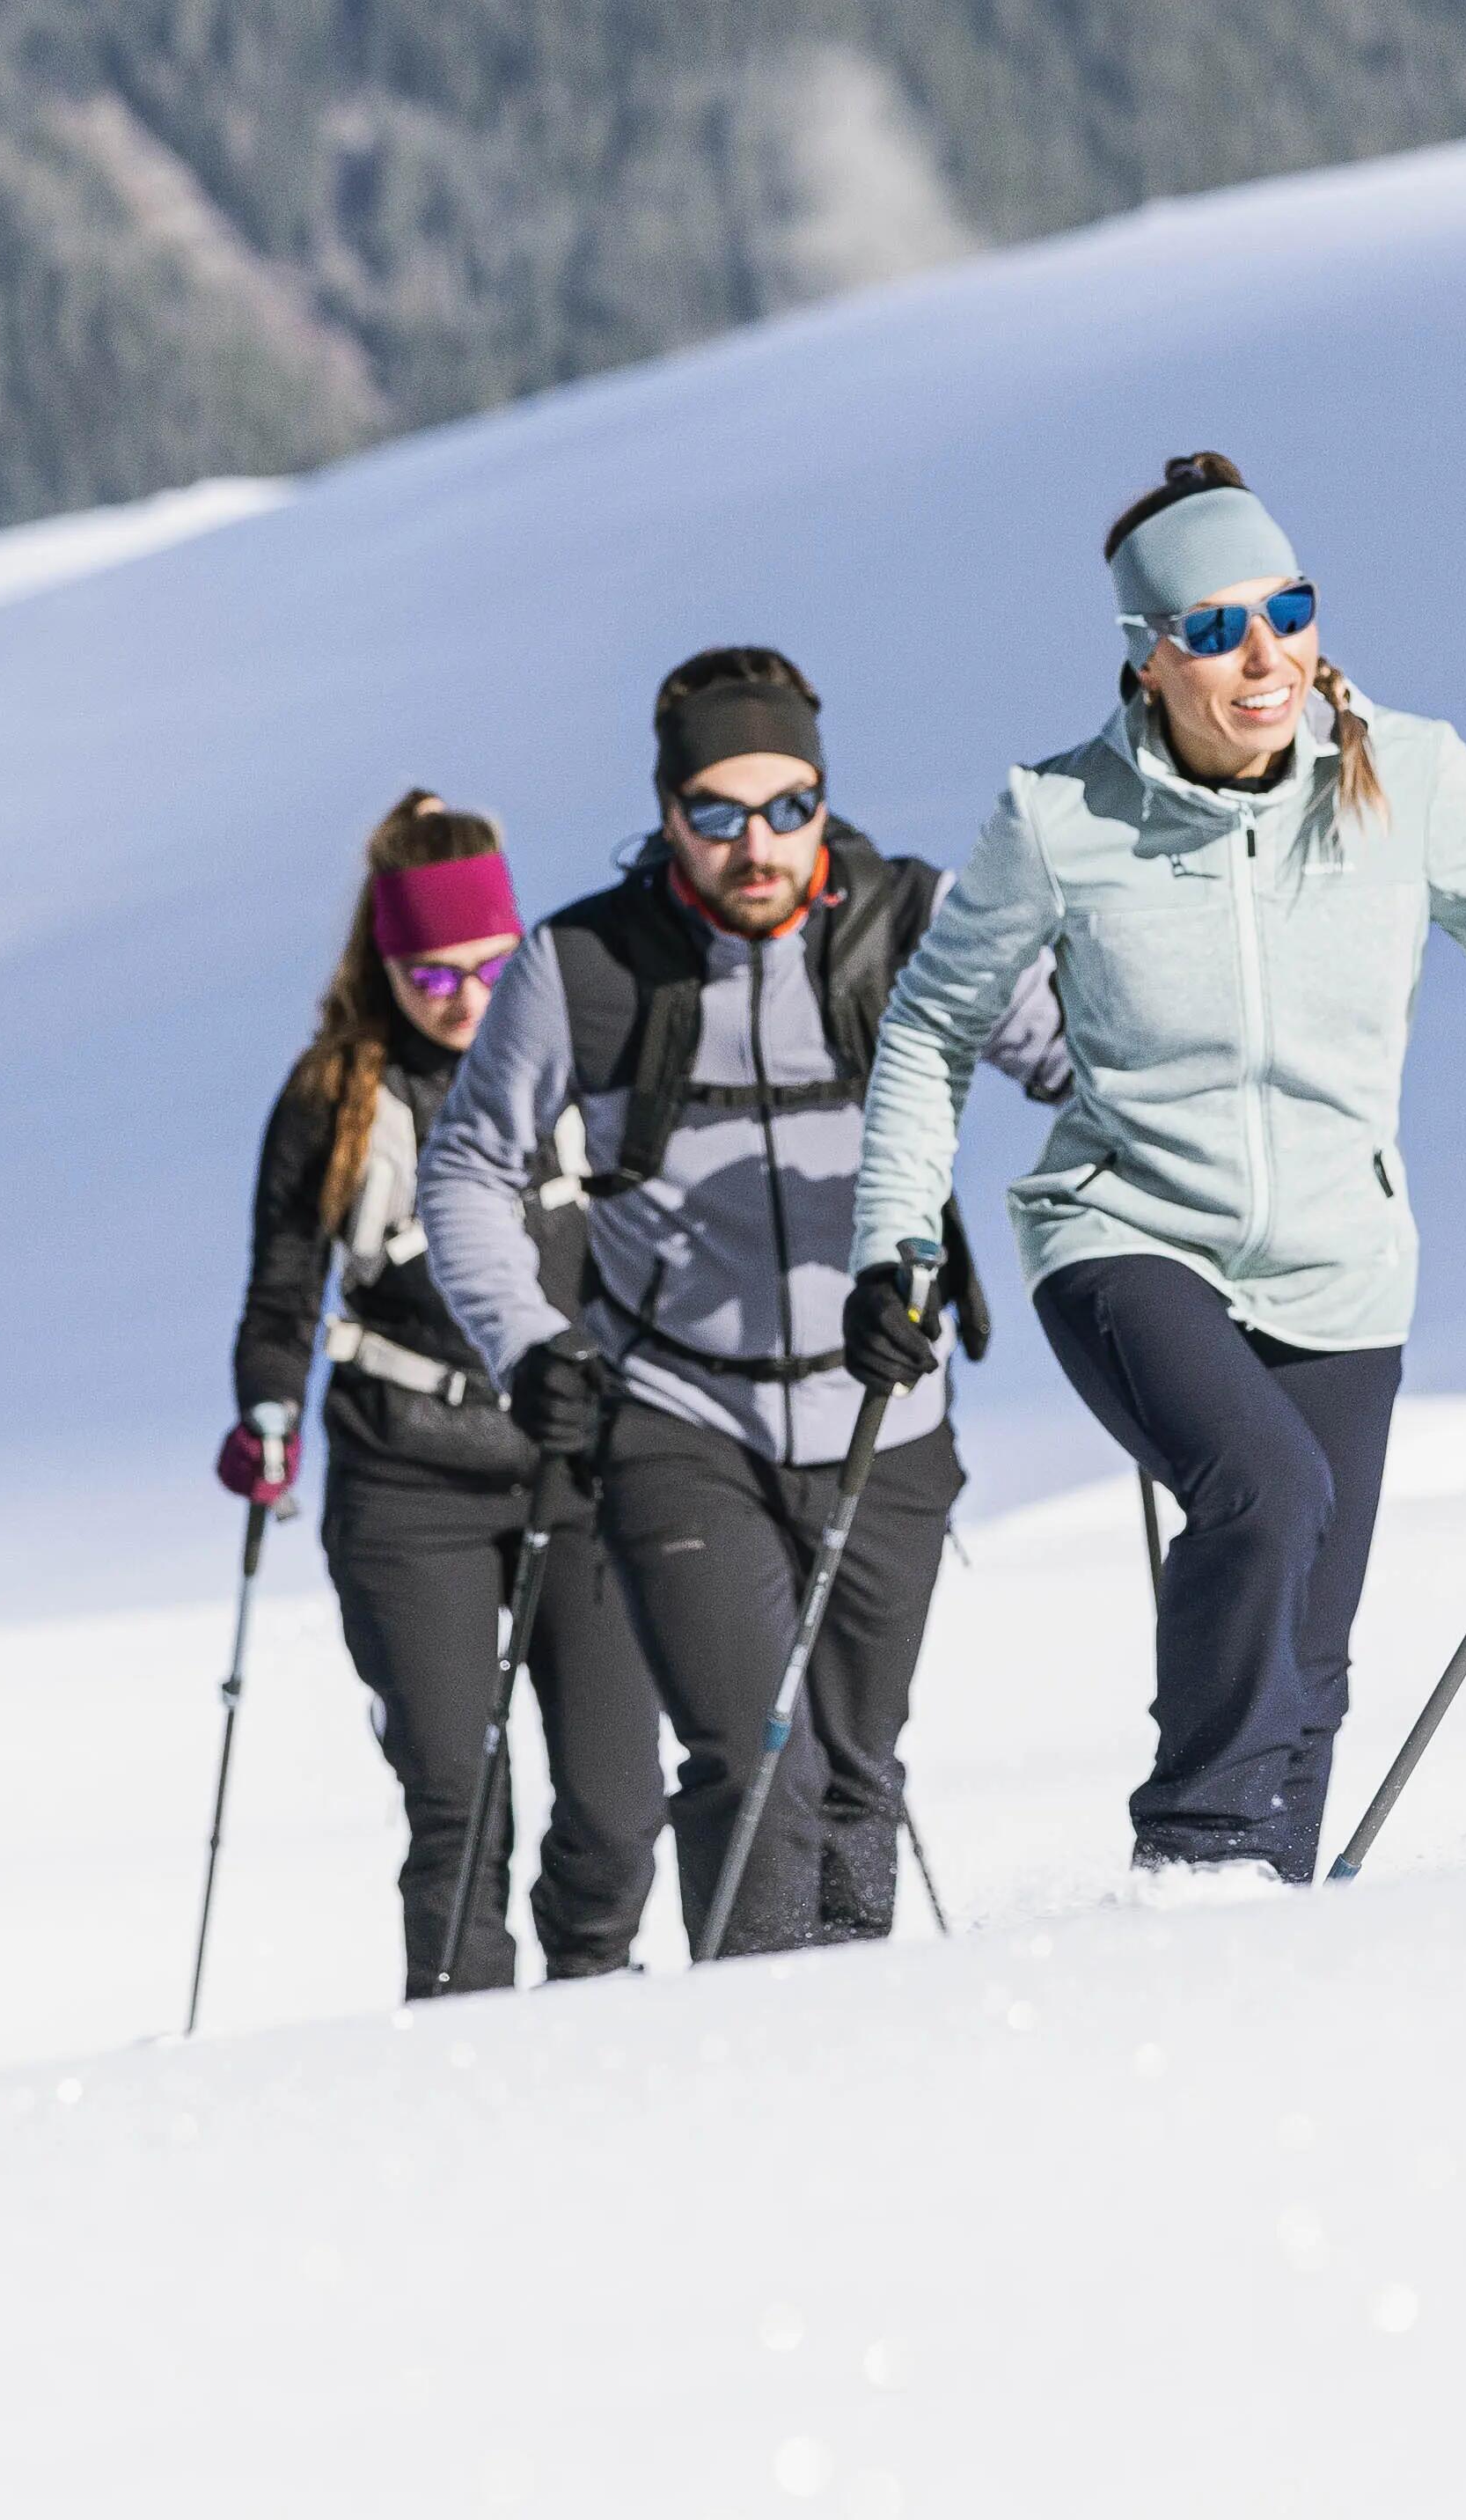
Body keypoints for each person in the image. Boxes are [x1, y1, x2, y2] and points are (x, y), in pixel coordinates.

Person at [847, 453, 1466, 1891]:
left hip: (1341, 1268)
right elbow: (928, 1026)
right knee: (1267, 1493)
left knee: (1310, 1650)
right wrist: (894, 1241)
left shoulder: (1409, 778)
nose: (1265, 656)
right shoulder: (1059, 817)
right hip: (1125, 1235)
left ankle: (1261, 1927)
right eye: (1216, 630)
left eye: (1286, 610)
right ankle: (1197, 1857)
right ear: (1148, 659)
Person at [420, 649, 1067, 1955]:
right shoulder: (586, 964)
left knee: (857, 1770)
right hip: (677, 1416)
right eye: (716, 813)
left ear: (825, 800)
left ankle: (853, 2039)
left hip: (886, 1411)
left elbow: (1080, 1063)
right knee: (749, 1761)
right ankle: (760, 2050)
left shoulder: (915, 923)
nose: (754, 844)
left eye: (789, 805)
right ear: (669, 814)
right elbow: (469, 1170)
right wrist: (529, 1343)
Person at [224, 792, 666, 1995]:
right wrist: (265, 1409)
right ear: (387, 966)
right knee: (457, 1802)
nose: (464, 998)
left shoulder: (579, 1058)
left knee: (623, 1804)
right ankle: (466, 2038)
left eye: (485, 965)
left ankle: (594, 1989)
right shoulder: (337, 1097)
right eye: (431, 975)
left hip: (579, 1469)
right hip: (407, 1478)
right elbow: (282, 1293)